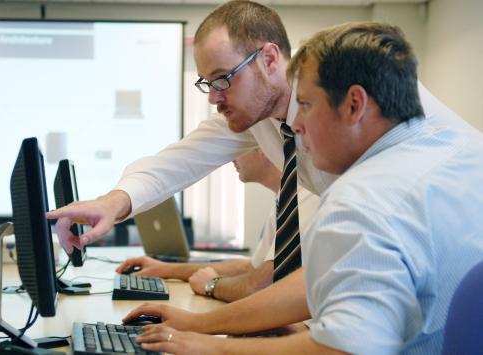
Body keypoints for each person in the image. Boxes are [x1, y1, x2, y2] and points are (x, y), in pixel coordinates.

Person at [123, 22, 483, 354]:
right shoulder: (460, 155)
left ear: (355, 104)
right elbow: (322, 280)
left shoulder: (362, 198)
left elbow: (344, 349)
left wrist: (210, 346)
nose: (295, 127)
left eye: (306, 106)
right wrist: (200, 324)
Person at [115, 148, 285, 302]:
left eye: (239, 147)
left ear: (263, 148)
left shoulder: (299, 201)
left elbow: (259, 286)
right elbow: (249, 267)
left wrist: (212, 285)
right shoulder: (280, 202)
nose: (231, 157)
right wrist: (165, 269)